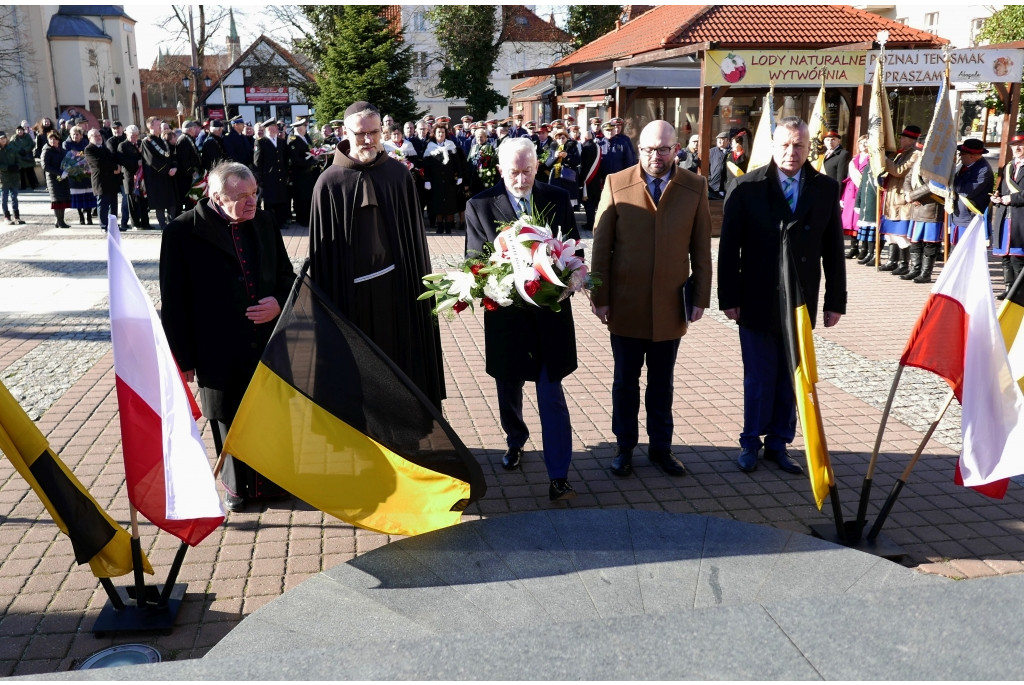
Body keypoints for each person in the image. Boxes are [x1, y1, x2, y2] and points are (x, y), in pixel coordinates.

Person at [160, 161, 295, 513]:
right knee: (228, 413)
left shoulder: (264, 222)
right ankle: (237, 487)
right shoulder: (182, 231)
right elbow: (174, 300)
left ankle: (274, 484)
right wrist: (183, 358)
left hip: (265, 340)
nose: (252, 202)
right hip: (216, 345)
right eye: (242, 197)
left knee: (269, 411)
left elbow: (286, 275)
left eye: (254, 194)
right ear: (216, 196)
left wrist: (278, 303)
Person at [718, 116, 846, 475]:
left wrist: (835, 301)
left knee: (791, 377)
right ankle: (750, 442)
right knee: (758, 376)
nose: (792, 152)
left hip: (800, 300)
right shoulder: (746, 187)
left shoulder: (825, 188)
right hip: (756, 297)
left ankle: (778, 443)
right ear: (773, 146)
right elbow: (729, 249)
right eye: (786, 145)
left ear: (809, 148)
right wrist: (728, 297)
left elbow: (833, 250)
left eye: (799, 145)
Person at [590, 120, 712, 478]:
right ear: (638, 148)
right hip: (626, 304)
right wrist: (600, 296)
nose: (654, 156)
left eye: (662, 149)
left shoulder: (694, 187)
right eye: (647, 149)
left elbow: (701, 249)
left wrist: (700, 297)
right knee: (625, 383)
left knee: (662, 384)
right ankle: (623, 447)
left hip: (670, 305)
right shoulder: (616, 183)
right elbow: (601, 247)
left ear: (676, 149)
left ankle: (661, 448)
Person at [308, 101, 445, 410]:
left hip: (397, 287)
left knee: (399, 359)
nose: (368, 140)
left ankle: (408, 429)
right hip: (349, 296)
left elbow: (412, 239)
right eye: (361, 134)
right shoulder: (329, 183)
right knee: (358, 368)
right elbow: (322, 254)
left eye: (374, 132)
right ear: (345, 132)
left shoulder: (396, 174)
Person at [465, 137, 580, 501]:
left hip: (549, 315)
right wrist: (497, 279)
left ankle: (558, 474)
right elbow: (474, 260)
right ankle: (515, 439)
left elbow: (574, 248)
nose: (521, 179)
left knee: (551, 391)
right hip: (508, 318)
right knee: (508, 385)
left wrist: (569, 278)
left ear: (536, 167)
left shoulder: (557, 198)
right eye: (513, 172)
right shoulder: (480, 204)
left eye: (528, 171)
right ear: (500, 169)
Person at [900, 136, 943, 284]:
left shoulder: (938, 163)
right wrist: (908, 194)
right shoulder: (919, 161)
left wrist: (911, 196)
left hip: (931, 208)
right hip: (916, 207)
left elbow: (933, 184)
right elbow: (907, 179)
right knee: (915, 241)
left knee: (929, 244)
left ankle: (926, 273)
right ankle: (915, 269)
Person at [878, 125, 920, 273]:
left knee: (900, 235)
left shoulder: (915, 154)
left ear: (911, 139)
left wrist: (883, 158)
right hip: (891, 197)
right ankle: (892, 261)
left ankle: (904, 264)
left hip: (901, 198)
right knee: (890, 234)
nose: (900, 140)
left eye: (903, 137)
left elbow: (899, 171)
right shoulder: (901, 154)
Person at [990, 132, 1024, 298]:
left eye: (1021, 145)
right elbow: (1003, 190)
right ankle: (1008, 289)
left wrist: (1011, 198)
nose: (1017, 148)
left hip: (1020, 218)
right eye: (1014, 145)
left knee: (1018, 258)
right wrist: (997, 198)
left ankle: (1019, 293)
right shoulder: (1009, 166)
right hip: (1005, 217)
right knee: (1005, 257)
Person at [950, 138, 994, 248]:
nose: (960, 156)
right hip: (959, 216)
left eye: (962, 153)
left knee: (967, 251)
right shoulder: (963, 165)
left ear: (972, 156)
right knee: (956, 251)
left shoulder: (983, 171)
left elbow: (967, 191)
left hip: (971, 218)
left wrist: (951, 180)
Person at [423, 123, 462, 234]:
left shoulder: (451, 145)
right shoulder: (430, 146)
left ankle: (448, 227)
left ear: (446, 134)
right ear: (434, 134)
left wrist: (460, 176)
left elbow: (457, 162)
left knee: (449, 205)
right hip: (436, 181)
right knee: (438, 205)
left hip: (449, 180)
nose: (441, 134)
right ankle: (440, 226)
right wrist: (427, 180)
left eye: (443, 132)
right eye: (438, 132)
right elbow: (426, 165)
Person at [141, 117, 177, 229]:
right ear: (151, 126)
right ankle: (163, 226)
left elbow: (169, 156)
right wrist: (167, 170)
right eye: (157, 125)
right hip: (156, 178)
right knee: (160, 204)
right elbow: (151, 160)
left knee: (171, 203)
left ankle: (171, 224)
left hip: (167, 177)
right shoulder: (147, 142)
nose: (160, 127)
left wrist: (174, 167)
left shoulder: (162, 140)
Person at [254, 119, 290, 229]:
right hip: (268, 178)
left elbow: (284, 159)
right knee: (269, 202)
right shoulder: (261, 142)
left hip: (280, 177)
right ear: (267, 129)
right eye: (272, 127)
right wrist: (259, 179)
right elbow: (257, 162)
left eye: (275, 127)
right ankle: (269, 224)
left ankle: (280, 222)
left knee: (280, 200)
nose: (275, 129)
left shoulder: (281, 142)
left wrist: (286, 174)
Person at [83, 128, 121, 230]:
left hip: (111, 181)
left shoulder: (104, 148)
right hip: (100, 181)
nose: (99, 137)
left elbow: (112, 159)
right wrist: (115, 167)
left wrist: (116, 166)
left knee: (113, 205)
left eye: (99, 135)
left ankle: (113, 225)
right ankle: (104, 226)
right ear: (89, 138)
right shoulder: (89, 149)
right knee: (103, 204)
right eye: (95, 136)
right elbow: (98, 163)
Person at [842, 135, 870, 258]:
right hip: (850, 191)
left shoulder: (872, 159)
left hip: (863, 190)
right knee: (851, 221)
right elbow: (848, 177)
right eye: (861, 143)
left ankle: (864, 248)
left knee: (862, 220)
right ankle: (854, 247)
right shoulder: (854, 160)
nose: (863, 145)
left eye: (866, 142)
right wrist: (842, 197)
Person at [63, 125, 97, 225]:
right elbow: (66, 157)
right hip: (74, 173)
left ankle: (89, 216)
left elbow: (88, 154)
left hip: (86, 172)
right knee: (78, 196)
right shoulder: (66, 144)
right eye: (73, 134)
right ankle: (81, 216)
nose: (75, 136)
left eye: (77, 134)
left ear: (81, 135)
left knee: (88, 194)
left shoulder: (85, 142)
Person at [117, 125, 150, 229]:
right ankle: (135, 224)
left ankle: (145, 223)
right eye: (132, 135)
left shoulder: (140, 143)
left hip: (142, 179)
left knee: (144, 202)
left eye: (136, 135)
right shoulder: (123, 146)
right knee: (133, 203)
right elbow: (123, 161)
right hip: (130, 178)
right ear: (126, 134)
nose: (134, 137)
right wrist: (137, 162)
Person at [287, 117, 318, 227]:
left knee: (308, 196)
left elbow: (310, 150)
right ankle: (302, 219)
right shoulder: (293, 140)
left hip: (308, 174)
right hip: (300, 174)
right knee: (301, 197)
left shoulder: (306, 138)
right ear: (299, 127)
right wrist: (310, 162)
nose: (306, 128)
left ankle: (308, 217)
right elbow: (296, 160)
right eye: (304, 126)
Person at [40, 131, 71, 227]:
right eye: (51, 139)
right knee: (57, 200)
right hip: (53, 179)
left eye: (55, 139)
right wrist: (60, 173)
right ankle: (59, 221)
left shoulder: (61, 150)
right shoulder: (47, 150)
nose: (53, 141)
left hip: (63, 178)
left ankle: (60, 221)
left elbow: (67, 161)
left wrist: (68, 169)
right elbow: (45, 166)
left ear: (58, 140)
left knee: (62, 199)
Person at [548, 127, 581, 207]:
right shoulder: (553, 148)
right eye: (558, 138)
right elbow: (547, 164)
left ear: (566, 138)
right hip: (556, 178)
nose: (561, 140)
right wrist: (554, 157)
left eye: (563, 138)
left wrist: (567, 156)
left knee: (568, 204)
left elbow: (577, 161)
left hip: (568, 178)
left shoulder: (572, 146)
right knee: (556, 203)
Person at [176, 120, 203, 211]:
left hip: (191, 174)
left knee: (192, 199)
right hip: (187, 175)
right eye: (194, 128)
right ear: (190, 129)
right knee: (189, 199)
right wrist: (191, 171)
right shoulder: (183, 140)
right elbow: (183, 159)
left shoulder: (189, 138)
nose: (196, 130)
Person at [0, 131, 25, 224]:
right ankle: (6, 217)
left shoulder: (12, 149)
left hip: (14, 177)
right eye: (1, 139)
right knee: (4, 198)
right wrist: (6, 168)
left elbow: (19, 161)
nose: (3, 140)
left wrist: (17, 166)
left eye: (4, 138)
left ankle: (17, 216)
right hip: (3, 178)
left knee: (14, 197)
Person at [708, 130, 730, 199]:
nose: (719, 141)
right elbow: (707, 166)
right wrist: (709, 179)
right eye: (718, 139)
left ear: (728, 141)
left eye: (722, 139)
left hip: (726, 186)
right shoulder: (711, 151)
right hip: (713, 186)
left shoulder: (731, 152)